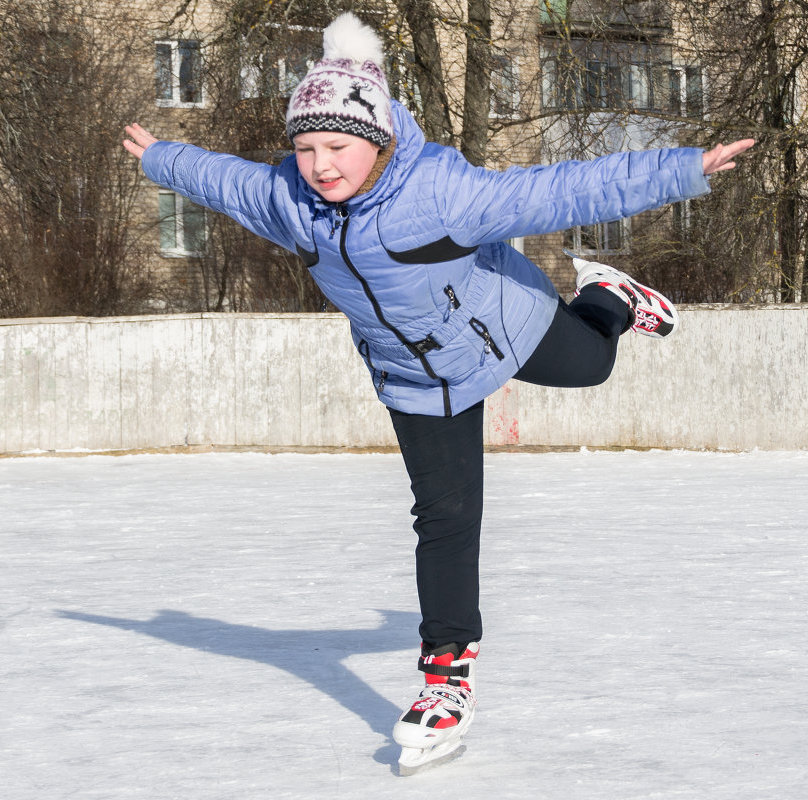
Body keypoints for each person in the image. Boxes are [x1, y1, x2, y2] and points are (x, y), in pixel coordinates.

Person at [123, 12, 753, 772]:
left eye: (338, 146)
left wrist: (682, 169)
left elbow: (560, 191)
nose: (322, 164)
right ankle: (445, 674)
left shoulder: (441, 195)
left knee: (592, 365)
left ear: (380, 139)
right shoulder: (292, 200)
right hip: (414, 376)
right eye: (306, 147)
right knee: (447, 517)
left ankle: (611, 298)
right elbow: (223, 179)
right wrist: (162, 158)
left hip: (503, 321)